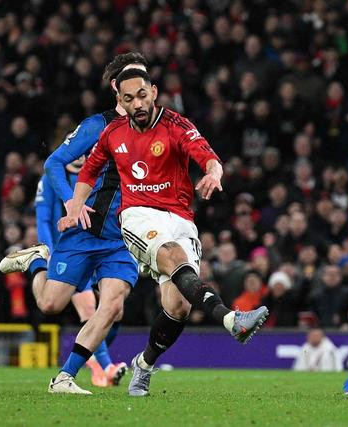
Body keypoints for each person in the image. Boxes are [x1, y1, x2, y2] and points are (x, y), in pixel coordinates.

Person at [59, 68, 269, 397]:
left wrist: (213, 174)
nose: (137, 104)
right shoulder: (113, 133)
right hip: (137, 215)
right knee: (172, 255)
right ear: (120, 100)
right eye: (129, 98)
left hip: (180, 217)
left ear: (154, 92)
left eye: (142, 95)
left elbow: (210, 158)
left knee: (179, 306)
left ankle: (143, 364)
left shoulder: (176, 125)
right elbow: (88, 171)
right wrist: (75, 206)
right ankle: (230, 318)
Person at [0, 53, 149, 394]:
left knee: (112, 306)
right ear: (117, 88)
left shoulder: (155, 129)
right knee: (50, 304)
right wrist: (71, 201)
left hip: (121, 239)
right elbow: (54, 163)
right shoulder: (96, 126)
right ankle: (37, 260)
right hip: (84, 232)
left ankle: (66, 377)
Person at [34, 155, 126, 387]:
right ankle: (106, 367)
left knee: (115, 312)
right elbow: (44, 219)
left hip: (99, 247)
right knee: (82, 308)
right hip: (70, 251)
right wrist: (48, 249)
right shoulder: (54, 178)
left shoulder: (98, 173)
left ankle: (94, 361)